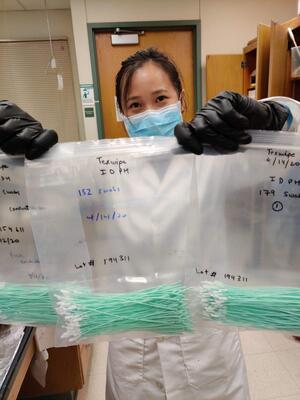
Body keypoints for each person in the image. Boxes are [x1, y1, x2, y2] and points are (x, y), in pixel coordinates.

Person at [0, 48, 297, 400]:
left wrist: (275, 116)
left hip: (207, 351)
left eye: (160, 98)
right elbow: (37, 216)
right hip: (134, 351)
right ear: (121, 112)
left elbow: (287, 156)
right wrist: (12, 162)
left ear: (181, 100)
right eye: (136, 105)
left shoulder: (222, 162)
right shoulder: (97, 172)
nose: (150, 112)